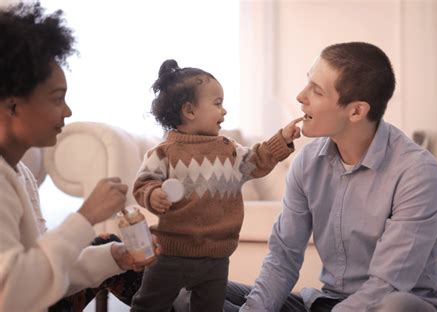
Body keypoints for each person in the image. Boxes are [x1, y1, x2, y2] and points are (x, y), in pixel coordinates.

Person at [223, 42, 437, 311]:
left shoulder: (418, 175)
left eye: (316, 91)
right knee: (195, 291)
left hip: (393, 304)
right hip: (327, 303)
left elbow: (386, 286)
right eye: (307, 83)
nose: (300, 96)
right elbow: (283, 258)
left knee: (395, 306)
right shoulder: (307, 163)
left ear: (356, 111)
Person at [0, 3, 157, 311]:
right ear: (13, 106)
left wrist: (115, 257)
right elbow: (11, 294)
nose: (68, 111)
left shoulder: (19, 173)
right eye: (57, 99)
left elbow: (43, 271)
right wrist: (85, 218)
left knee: (107, 245)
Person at [130, 59, 303, 312]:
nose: (224, 111)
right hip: (171, 255)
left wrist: (282, 139)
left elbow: (257, 159)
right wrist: (153, 194)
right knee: (149, 305)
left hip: (216, 258)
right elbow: (143, 183)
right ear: (190, 111)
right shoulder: (164, 153)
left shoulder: (228, 150)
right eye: (218, 104)